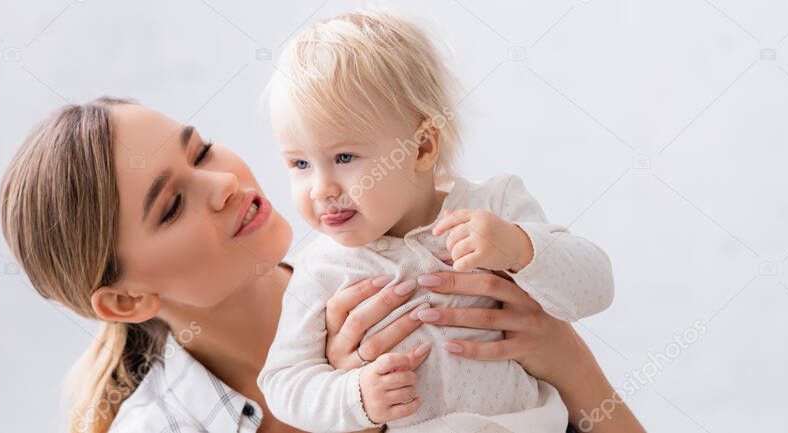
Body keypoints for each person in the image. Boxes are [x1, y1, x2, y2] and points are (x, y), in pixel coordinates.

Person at [0, 97, 644, 433]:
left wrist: (563, 355)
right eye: (171, 205)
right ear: (125, 301)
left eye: (201, 151)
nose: (222, 181)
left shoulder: (404, 246)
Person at [258, 9, 614, 433]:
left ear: (423, 147)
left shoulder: (494, 205)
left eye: (344, 157)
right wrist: (354, 396)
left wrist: (521, 247)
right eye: (299, 163)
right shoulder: (320, 270)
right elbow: (282, 382)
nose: (321, 188)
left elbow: (597, 287)